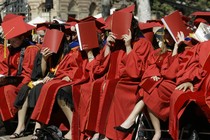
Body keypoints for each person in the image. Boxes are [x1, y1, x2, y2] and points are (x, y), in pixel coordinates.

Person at [0, 14, 40, 136]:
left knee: (7, 90)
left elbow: (29, 72)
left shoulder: (30, 49)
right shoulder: (11, 49)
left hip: (25, 82)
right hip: (10, 80)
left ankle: (7, 124)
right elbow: (5, 68)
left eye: (13, 40)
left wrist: (15, 82)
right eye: (9, 41)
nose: (11, 43)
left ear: (22, 37)